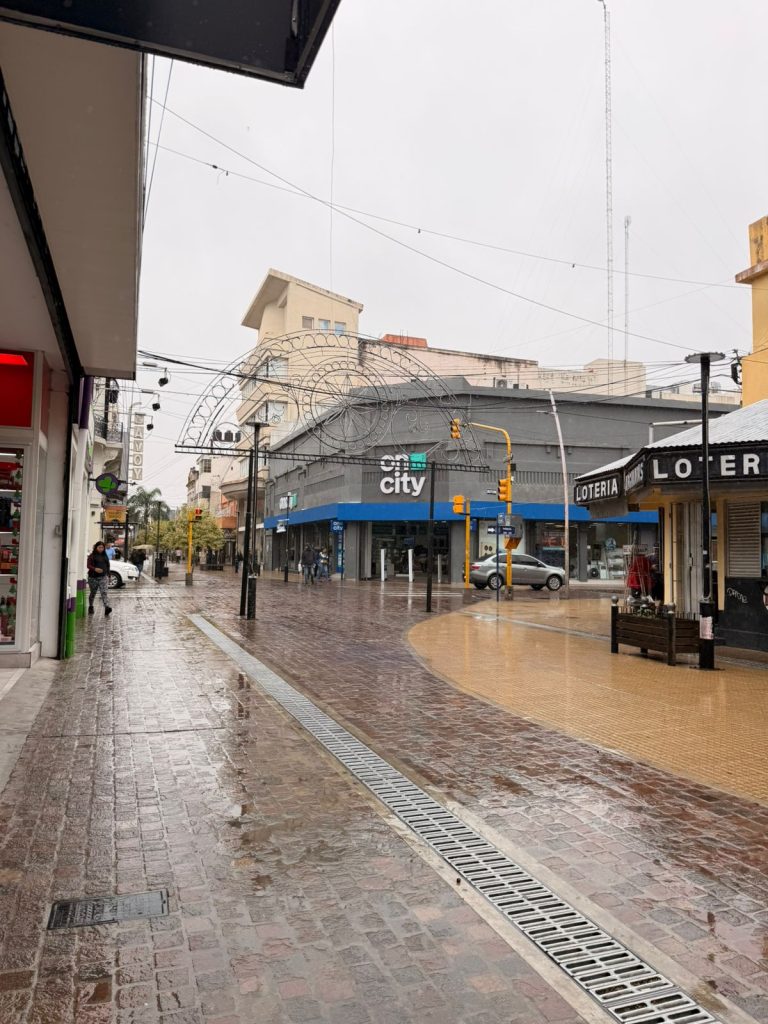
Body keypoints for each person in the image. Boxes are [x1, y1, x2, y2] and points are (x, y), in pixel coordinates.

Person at [87, 541, 112, 617]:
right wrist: (95, 569)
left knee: (104, 592)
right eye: (99, 547)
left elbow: (108, 566)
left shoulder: (105, 556)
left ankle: (107, 607)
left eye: (102, 547)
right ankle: (91, 606)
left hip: (103, 577)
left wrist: (109, 575)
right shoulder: (92, 556)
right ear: (96, 547)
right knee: (93, 593)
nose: (101, 549)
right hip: (93, 577)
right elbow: (88, 565)